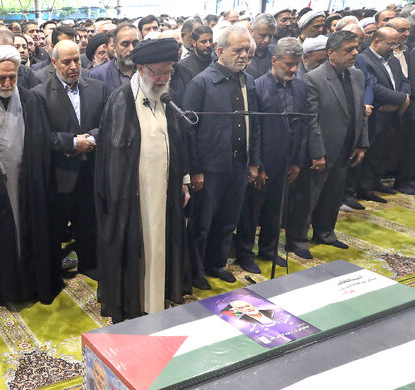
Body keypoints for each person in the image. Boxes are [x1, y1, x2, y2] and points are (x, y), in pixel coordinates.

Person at [95, 38, 191, 323]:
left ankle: (157, 301)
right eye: (158, 72)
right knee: (138, 250)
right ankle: (135, 305)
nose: (163, 78)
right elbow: (113, 156)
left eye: (168, 72)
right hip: (134, 198)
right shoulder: (122, 99)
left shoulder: (165, 98)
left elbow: (177, 143)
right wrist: (125, 192)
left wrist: (183, 180)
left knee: (162, 247)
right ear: (140, 68)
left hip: (164, 192)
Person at [0, 45, 58, 308]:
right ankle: (4, 290)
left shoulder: (31, 100)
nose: (8, 83)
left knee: (30, 230)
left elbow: (42, 143)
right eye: (1, 78)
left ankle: (32, 285)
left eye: (12, 77)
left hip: (28, 181)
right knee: (0, 235)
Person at [182, 25, 261, 288]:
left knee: (228, 220)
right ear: (219, 51)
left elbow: (256, 125)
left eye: (246, 51)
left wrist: (254, 163)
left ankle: (217, 264)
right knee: (202, 224)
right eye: (237, 50)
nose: (244, 56)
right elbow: (188, 132)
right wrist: (195, 170)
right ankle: (195, 271)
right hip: (209, 168)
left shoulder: (248, 81)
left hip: (239, 164)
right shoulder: (201, 83)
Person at [286, 31, 368, 260]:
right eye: (348, 50)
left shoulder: (357, 75)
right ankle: (297, 239)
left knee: (333, 194)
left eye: (356, 48)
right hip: (320, 150)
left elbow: (360, 113)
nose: (355, 53)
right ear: (331, 53)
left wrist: (362, 143)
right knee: (308, 197)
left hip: (346, 147)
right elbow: (310, 119)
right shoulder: (313, 78)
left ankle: (324, 232)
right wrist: (317, 152)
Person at [32, 40, 108, 279]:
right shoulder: (40, 94)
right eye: (67, 62)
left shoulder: (98, 88)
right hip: (60, 173)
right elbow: (41, 136)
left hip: (92, 170)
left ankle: (89, 264)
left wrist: (90, 140)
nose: (74, 66)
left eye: (76, 60)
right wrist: (74, 143)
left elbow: (107, 124)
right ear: (54, 63)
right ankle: (53, 272)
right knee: (55, 228)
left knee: (89, 223)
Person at [233, 38, 308, 274]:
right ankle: (245, 254)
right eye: (288, 64)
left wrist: (297, 161)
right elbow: (254, 130)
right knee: (251, 211)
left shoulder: (301, 87)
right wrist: (257, 164)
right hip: (263, 161)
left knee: (276, 210)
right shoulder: (257, 86)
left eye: (297, 64)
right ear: (274, 61)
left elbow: (303, 127)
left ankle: (269, 249)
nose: (293, 69)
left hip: (286, 161)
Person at [355, 27, 410, 203]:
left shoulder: (393, 60)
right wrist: (403, 99)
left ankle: (376, 181)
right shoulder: (365, 59)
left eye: (396, 44)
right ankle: (364, 188)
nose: (394, 48)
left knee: (384, 151)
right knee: (372, 152)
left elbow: (405, 81)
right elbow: (375, 88)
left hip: (393, 113)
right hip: (378, 113)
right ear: (377, 41)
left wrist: (404, 96)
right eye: (390, 44)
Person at [90, 23, 139, 93]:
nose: (131, 49)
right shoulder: (98, 75)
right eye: (125, 44)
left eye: (135, 44)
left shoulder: (148, 71)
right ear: (115, 47)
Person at [172, 25, 213, 103]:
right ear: (194, 43)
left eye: (210, 41)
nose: (208, 45)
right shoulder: (183, 67)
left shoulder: (217, 62)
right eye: (203, 42)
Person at [247, 13, 277, 80]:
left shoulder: (276, 53)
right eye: (262, 35)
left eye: (270, 36)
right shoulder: (243, 53)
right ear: (252, 32)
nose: (267, 40)